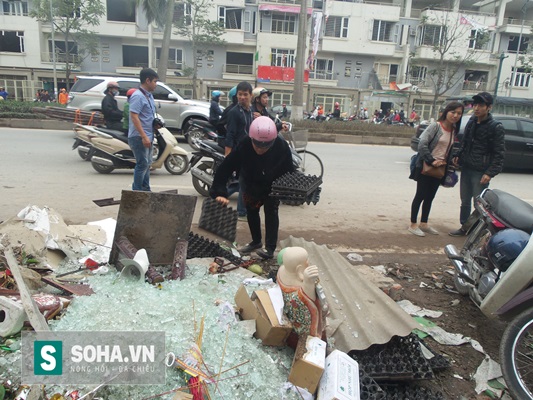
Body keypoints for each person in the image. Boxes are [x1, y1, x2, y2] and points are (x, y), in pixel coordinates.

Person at [210, 116, 295, 259]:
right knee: (252, 211)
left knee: (271, 213)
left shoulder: (281, 146)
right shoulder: (244, 144)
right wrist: (219, 191)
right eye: (257, 145)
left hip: (272, 185)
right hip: (250, 183)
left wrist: (289, 191)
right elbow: (226, 167)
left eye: (266, 146)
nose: (261, 149)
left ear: (273, 140)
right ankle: (256, 242)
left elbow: (289, 170)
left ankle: (269, 248)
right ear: (251, 139)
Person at [449, 92, 506, 236]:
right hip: (467, 167)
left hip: (481, 171)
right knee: (465, 201)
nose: (476, 108)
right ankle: (464, 227)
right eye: (475, 105)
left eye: (481, 105)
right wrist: (458, 155)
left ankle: (475, 230)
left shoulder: (495, 127)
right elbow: (465, 143)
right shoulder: (472, 122)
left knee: (479, 204)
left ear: (489, 107)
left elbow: (499, 153)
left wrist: (490, 172)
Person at [409, 101, 464, 237]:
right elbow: (422, 143)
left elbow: (448, 150)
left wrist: (451, 161)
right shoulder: (436, 126)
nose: (455, 115)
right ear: (446, 112)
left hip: (440, 169)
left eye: (459, 113)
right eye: (453, 112)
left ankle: (424, 223)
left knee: (430, 197)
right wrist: (431, 160)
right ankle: (413, 224)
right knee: (420, 195)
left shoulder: (453, 130)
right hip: (426, 166)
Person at [277, 247, 325, 339]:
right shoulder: (300, 289)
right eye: (306, 260)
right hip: (299, 327)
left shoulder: (281, 270)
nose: (308, 261)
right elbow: (310, 301)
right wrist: (309, 283)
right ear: (299, 269)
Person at [225, 81, 254, 220]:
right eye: (240, 94)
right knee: (244, 182)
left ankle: (217, 194)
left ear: (251, 95)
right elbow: (230, 134)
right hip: (238, 152)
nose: (242, 97)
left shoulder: (251, 111)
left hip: (249, 152)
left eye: (245, 94)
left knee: (242, 182)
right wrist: (228, 155)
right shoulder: (234, 112)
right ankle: (242, 211)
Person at [128, 68, 159, 192]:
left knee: (147, 164)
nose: (156, 84)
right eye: (155, 81)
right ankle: (137, 192)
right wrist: (143, 136)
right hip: (139, 137)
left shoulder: (149, 96)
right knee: (142, 165)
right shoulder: (137, 96)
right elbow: (134, 116)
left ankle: (146, 190)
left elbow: (146, 116)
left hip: (149, 134)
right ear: (147, 80)